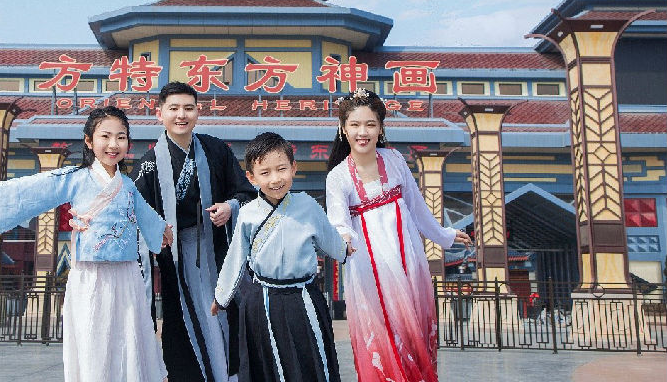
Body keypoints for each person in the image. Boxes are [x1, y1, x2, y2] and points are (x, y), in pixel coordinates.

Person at [0, 106, 173, 382]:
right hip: (91, 276)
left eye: (121, 137)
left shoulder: (128, 186)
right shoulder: (74, 178)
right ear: (89, 141)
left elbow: (150, 220)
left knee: (129, 337)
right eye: (105, 136)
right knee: (94, 341)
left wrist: (163, 231)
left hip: (126, 275)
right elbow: (27, 188)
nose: (113, 144)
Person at [325, 89, 471, 382]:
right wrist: (344, 241)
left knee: (412, 332)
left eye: (370, 124)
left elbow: (416, 208)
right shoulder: (338, 176)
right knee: (383, 336)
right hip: (370, 268)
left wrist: (443, 235)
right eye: (355, 125)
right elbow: (339, 223)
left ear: (380, 128)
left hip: (409, 260)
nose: (363, 132)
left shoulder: (394, 159)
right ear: (343, 129)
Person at [132, 82, 257, 382]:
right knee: (184, 324)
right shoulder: (148, 164)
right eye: (173, 108)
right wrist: (156, 230)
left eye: (188, 108)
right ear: (159, 113)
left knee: (226, 315)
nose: (181, 115)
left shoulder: (216, 149)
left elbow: (246, 193)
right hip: (175, 258)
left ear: (198, 112)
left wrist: (229, 207)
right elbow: (135, 214)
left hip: (217, 252)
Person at [210, 132, 353, 382]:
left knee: (311, 360)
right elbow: (235, 257)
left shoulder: (308, 205)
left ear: (293, 168)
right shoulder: (248, 213)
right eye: (265, 173)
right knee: (268, 367)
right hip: (263, 300)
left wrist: (344, 249)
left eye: (281, 169)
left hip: (304, 297)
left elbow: (330, 239)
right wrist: (221, 297)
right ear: (251, 178)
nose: (275, 179)